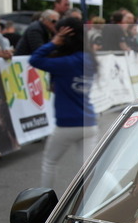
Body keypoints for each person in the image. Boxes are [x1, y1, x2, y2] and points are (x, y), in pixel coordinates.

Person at [29, 17, 99, 189]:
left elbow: (35, 59)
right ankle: (117, 196)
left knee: (49, 162)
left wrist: (53, 43)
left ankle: (44, 200)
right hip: (89, 122)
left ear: (65, 38)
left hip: (67, 123)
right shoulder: (90, 59)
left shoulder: (66, 63)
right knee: (91, 170)